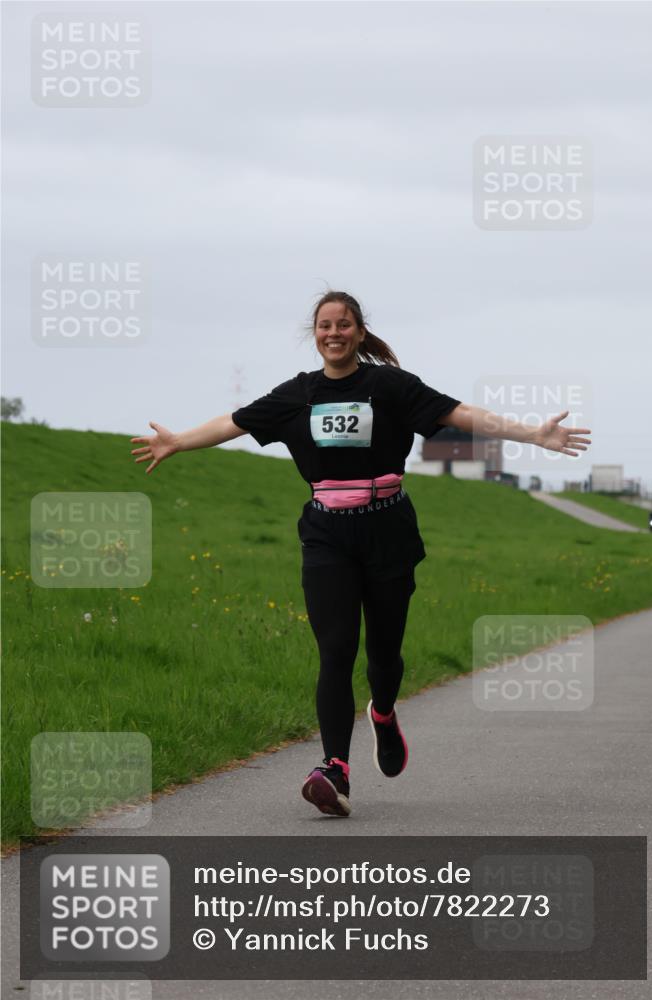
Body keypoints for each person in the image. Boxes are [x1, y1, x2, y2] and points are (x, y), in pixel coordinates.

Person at [130, 290, 592, 818]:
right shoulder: (297, 396)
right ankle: (335, 768)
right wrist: (178, 441)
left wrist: (532, 433)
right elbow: (234, 421)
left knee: (384, 657)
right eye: (325, 325)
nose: (334, 333)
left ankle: (385, 712)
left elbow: (460, 414)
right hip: (327, 533)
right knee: (336, 649)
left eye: (343, 324)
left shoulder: (389, 386)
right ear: (315, 333)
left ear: (358, 331)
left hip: (388, 528)